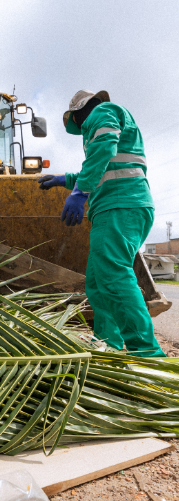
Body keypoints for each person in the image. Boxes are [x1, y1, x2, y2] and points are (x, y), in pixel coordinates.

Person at [38, 90, 165, 358]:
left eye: (76, 122)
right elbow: (103, 165)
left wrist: (80, 191)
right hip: (116, 208)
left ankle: (147, 353)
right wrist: (66, 179)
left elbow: (105, 146)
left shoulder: (102, 112)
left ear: (79, 111)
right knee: (96, 282)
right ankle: (108, 342)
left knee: (114, 274)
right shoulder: (104, 119)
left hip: (121, 205)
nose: (81, 128)